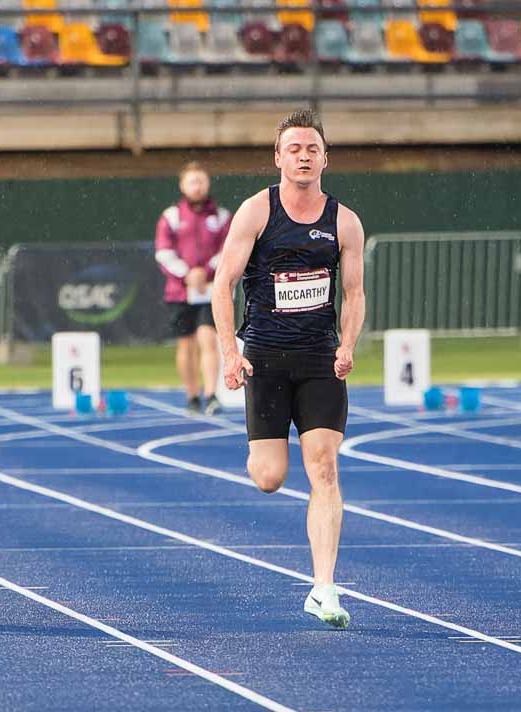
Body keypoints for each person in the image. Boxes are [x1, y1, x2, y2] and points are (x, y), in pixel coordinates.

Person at [211, 109, 366, 629]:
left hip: (320, 359)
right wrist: (230, 352)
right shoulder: (257, 212)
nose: (304, 156)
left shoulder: (344, 221)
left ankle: (324, 588)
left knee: (324, 468)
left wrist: (348, 344)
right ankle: (261, 450)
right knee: (269, 477)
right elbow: (222, 285)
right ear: (278, 157)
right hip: (266, 359)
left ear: (325, 158)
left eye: (312, 149)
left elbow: (354, 293)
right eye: (294, 149)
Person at [155, 162, 231, 415]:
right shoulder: (171, 217)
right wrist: (186, 274)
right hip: (179, 292)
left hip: (211, 290)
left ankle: (211, 394)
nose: (197, 187)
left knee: (209, 338)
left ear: (208, 183)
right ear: (182, 186)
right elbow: (163, 252)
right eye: (192, 182)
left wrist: (205, 272)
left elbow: (228, 250)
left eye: (201, 181)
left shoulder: (222, 217)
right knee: (186, 344)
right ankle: (192, 396)